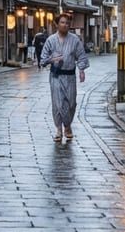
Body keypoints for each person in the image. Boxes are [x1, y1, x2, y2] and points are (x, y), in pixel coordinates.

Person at [38, 13, 89, 142]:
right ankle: (60, 129)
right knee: (58, 103)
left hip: (70, 75)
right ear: (56, 24)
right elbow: (43, 59)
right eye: (62, 22)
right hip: (56, 75)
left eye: (67, 23)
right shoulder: (51, 40)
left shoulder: (75, 40)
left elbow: (81, 56)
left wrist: (81, 70)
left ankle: (68, 124)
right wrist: (53, 59)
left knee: (71, 103)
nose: (65, 25)